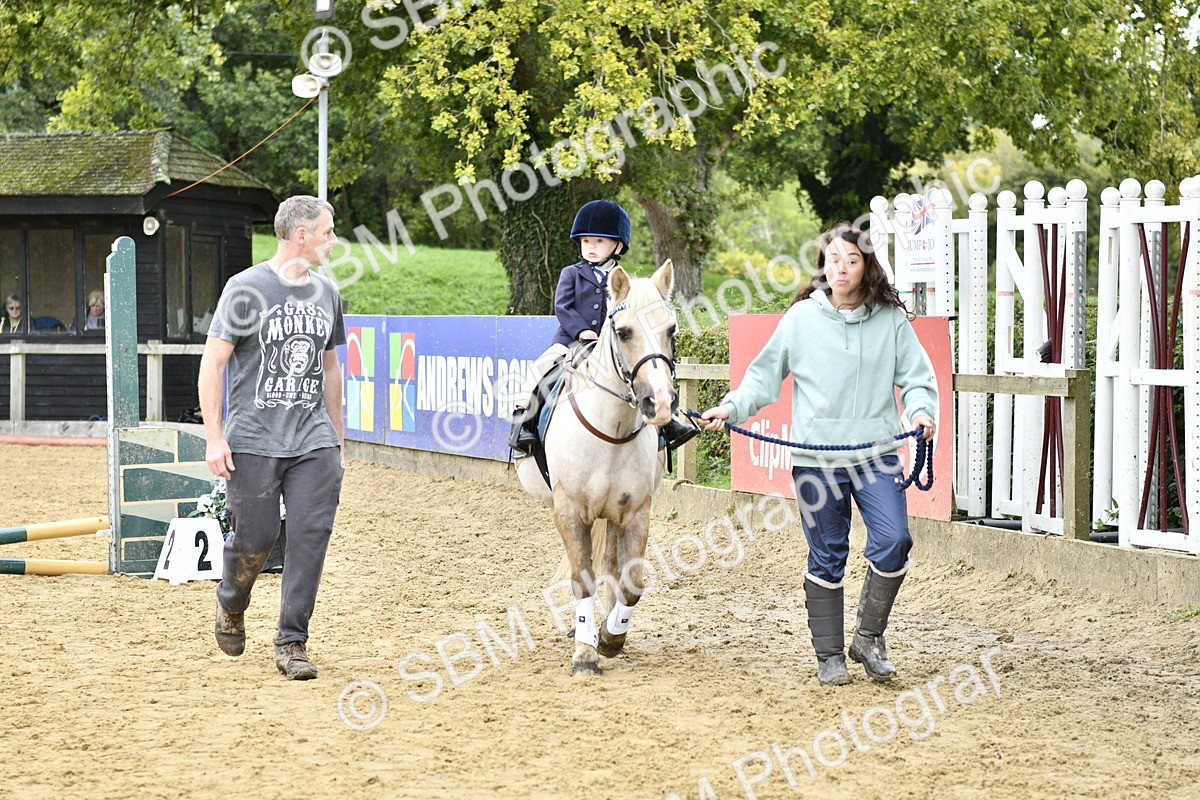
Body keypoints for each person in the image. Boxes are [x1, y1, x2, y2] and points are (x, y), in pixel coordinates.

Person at [700, 223, 936, 687]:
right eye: (834, 259)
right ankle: (829, 655)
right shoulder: (800, 320)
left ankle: (869, 638)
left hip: (877, 453)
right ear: (822, 266)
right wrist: (730, 408)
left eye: (852, 259)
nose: (842, 268)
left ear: (867, 265)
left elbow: (918, 378)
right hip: (817, 459)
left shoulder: (890, 320)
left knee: (895, 541)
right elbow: (762, 379)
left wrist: (924, 412)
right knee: (828, 554)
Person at [199, 195, 346, 681]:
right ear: (301, 234)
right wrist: (215, 437)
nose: (334, 240)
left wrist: (337, 438)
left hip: (312, 441)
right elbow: (214, 363)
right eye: (327, 231)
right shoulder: (245, 289)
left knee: (309, 539)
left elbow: (329, 367)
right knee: (256, 539)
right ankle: (231, 601)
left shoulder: (327, 292)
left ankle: (292, 641)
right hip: (254, 439)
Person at [508, 199, 699, 454]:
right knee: (540, 368)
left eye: (599, 242)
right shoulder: (571, 273)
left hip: (611, 346)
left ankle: (667, 425)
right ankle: (523, 424)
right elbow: (563, 308)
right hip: (570, 343)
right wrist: (581, 331)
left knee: (642, 378)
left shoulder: (625, 282)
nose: (591, 247)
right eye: (586, 241)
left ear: (617, 245)